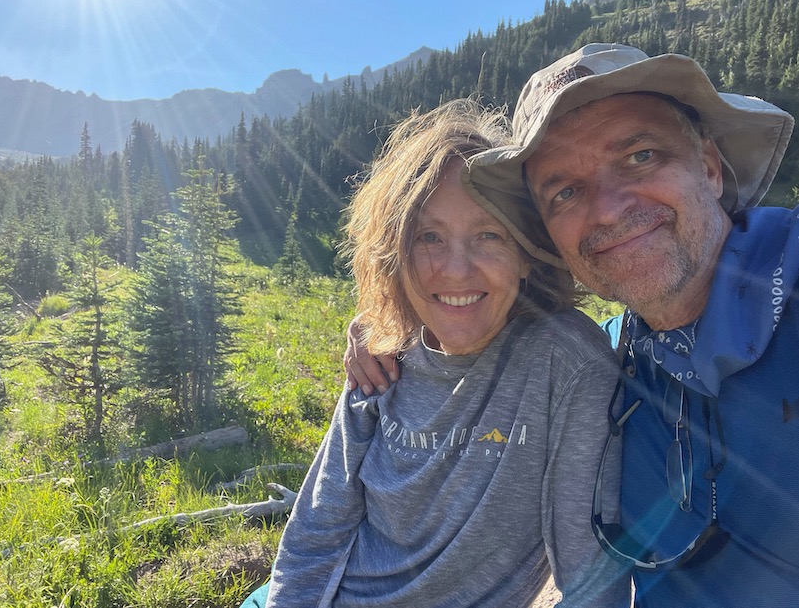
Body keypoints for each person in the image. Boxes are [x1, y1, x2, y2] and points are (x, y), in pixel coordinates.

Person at [347, 43, 799, 607]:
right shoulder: (613, 356)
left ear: (709, 168)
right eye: (565, 191)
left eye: (640, 156)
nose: (608, 209)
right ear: (551, 237)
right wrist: (388, 327)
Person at [244, 99, 629, 608]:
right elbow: (318, 529)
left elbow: (590, 578)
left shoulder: (564, 365)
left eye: (489, 234)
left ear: (527, 255)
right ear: (395, 253)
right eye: (428, 237)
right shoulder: (381, 354)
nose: (455, 269)